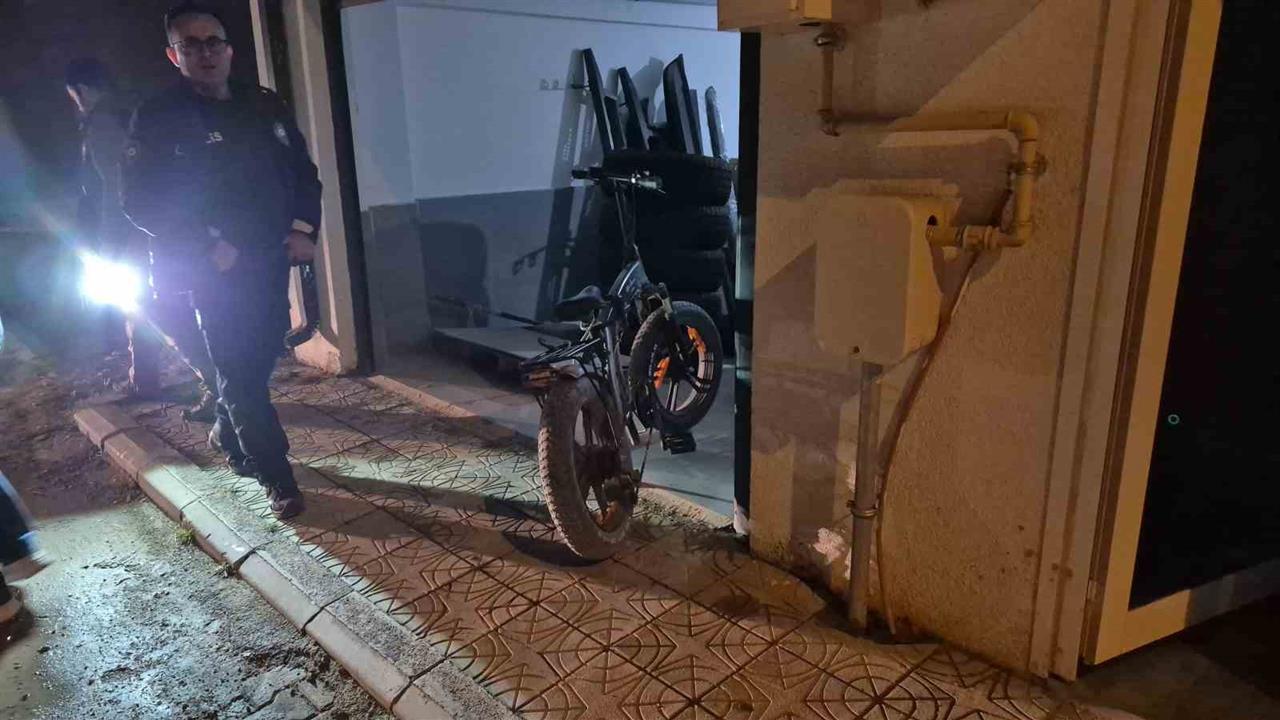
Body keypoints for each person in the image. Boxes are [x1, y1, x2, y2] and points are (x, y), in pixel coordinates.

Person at [123, 3, 321, 519]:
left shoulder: (262, 104)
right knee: (237, 370)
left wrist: (303, 228)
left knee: (261, 357)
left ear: (229, 49)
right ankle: (276, 475)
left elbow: (302, 171)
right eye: (191, 45)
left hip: (270, 257)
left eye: (214, 42)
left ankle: (228, 434)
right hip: (214, 270)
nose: (205, 53)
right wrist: (206, 244)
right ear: (174, 55)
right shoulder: (159, 116)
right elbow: (140, 200)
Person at [66, 58, 219, 422]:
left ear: (81, 90)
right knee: (143, 304)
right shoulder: (130, 110)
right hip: (157, 227)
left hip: (135, 233)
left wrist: (108, 246)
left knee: (158, 309)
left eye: (73, 96)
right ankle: (147, 379)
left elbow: (114, 191)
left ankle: (217, 383)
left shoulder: (104, 123)